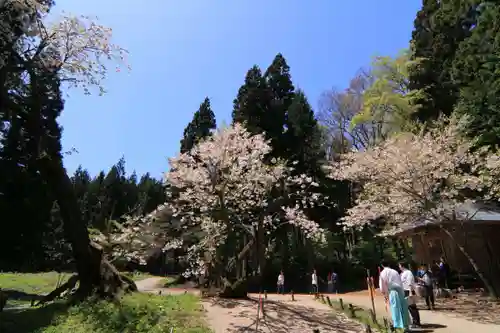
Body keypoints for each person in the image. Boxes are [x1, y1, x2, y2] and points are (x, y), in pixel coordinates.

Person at [379, 261, 410, 332]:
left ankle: (398, 325)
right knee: (403, 308)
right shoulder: (395, 272)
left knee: (395, 308)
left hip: (392, 292)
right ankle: (406, 326)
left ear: (382, 265)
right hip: (400, 291)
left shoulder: (383, 273)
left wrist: (385, 293)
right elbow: (400, 282)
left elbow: (382, 286)